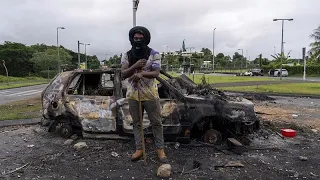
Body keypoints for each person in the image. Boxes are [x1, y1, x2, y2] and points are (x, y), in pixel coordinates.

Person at [120, 26, 167, 163]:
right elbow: (123, 73)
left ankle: (160, 149)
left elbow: (156, 73)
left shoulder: (154, 54)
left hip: (150, 94)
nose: (138, 40)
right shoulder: (126, 55)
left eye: (141, 38)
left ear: (146, 39)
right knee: (137, 123)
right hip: (133, 95)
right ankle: (139, 149)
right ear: (132, 39)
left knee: (156, 123)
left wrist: (142, 73)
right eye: (136, 38)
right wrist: (135, 67)